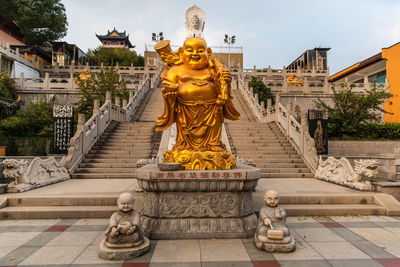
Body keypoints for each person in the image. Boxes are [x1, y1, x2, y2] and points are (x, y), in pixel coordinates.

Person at [155, 37, 240, 170]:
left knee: (214, 124)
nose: (195, 53)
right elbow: (168, 86)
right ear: (182, 52)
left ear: (209, 53)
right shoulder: (176, 70)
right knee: (184, 133)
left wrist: (226, 83)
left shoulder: (213, 69)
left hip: (212, 108)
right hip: (185, 109)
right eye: (190, 50)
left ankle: (214, 143)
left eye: (201, 50)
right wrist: (170, 94)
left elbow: (222, 90)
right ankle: (183, 144)